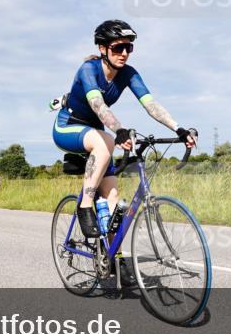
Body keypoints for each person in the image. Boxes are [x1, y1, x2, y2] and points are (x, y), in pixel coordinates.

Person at [52, 20, 196, 240]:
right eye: (118, 48)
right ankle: (85, 205)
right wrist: (119, 130)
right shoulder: (88, 70)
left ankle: (116, 262)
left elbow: (151, 105)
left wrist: (179, 129)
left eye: (128, 48)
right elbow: (97, 104)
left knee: (113, 198)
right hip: (69, 125)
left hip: (96, 132)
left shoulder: (128, 73)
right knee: (107, 141)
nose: (124, 53)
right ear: (102, 48)